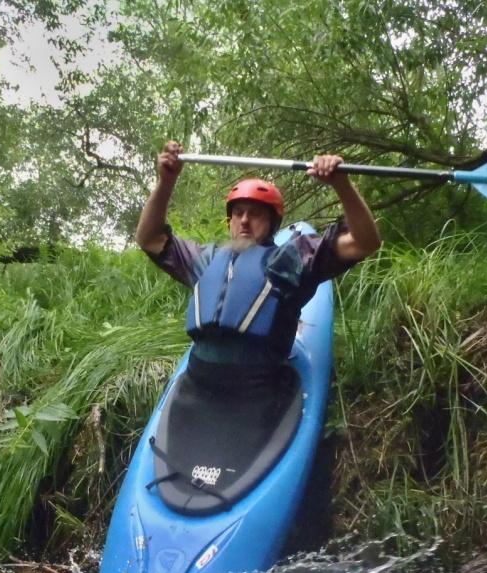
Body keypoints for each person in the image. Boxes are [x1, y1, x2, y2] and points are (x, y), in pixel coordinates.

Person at [135, 140, 381, 398]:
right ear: (230, 220)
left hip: (260, 389)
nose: (244, 220)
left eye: (255, 214)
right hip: (199, 385)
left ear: (273, 223)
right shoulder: (205, 259)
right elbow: (149, 238)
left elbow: (364, 242)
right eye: (238, 212)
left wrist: (342, 185)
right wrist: (166, 182)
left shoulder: (293, 258)